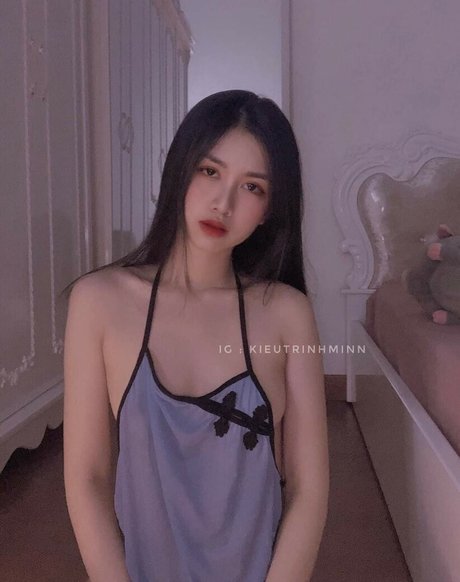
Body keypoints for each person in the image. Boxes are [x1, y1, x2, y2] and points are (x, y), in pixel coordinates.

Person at [62, 90, 329, 582]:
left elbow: (308, 488)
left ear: (269, 209)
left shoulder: (285, 313)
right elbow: (87, 479)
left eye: (252, 187)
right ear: (180, 170)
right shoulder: (98, 301)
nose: (223, 203)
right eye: (210, 171)